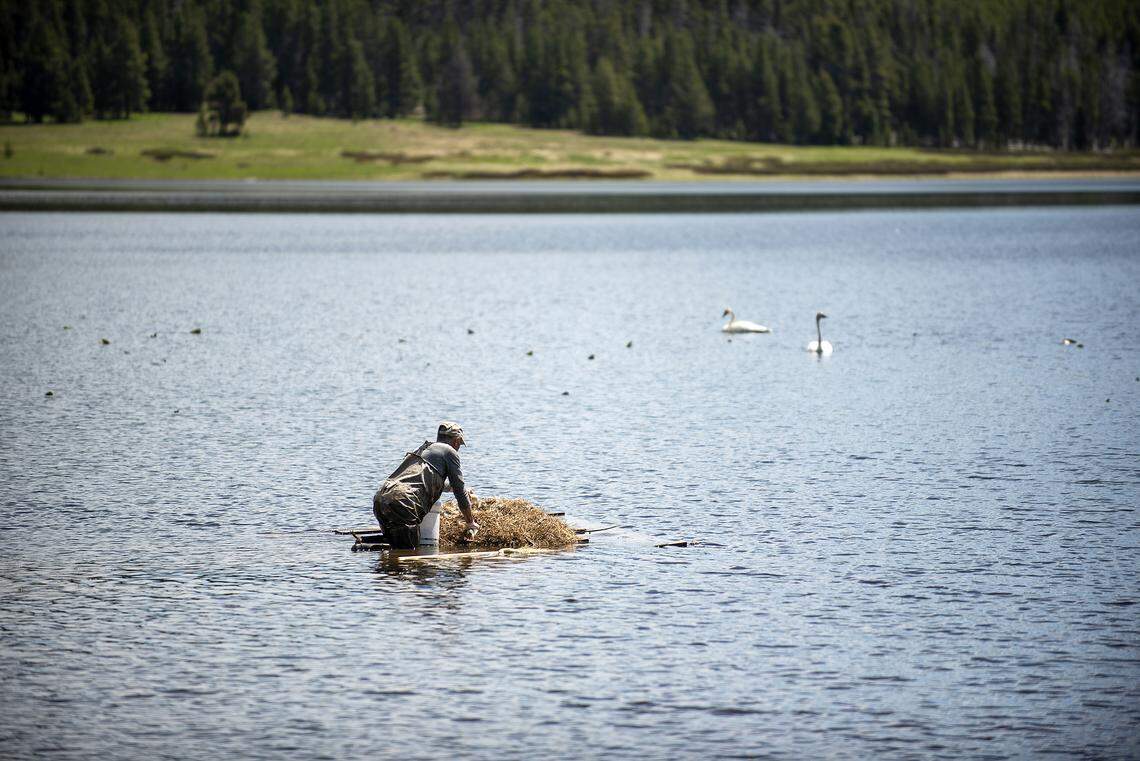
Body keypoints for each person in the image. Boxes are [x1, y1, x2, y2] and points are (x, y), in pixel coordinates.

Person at [373, 421, 478, 549]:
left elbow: (419, 481)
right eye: (459, 444)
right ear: (456, 441)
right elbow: (460, 491)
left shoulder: (424, 449)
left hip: (381, 499)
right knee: (409, 556)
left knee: (395, 551)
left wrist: (450, 487)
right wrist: (470, 522)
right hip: (404, 502)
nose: (458, 447)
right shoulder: (450, 452)